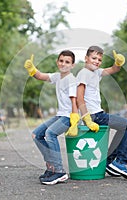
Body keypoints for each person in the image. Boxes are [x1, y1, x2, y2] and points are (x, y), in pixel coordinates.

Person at [76, 46, 127, 180]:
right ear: (86, 58)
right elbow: (79, 97)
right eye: (93, 58)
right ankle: (120, 162)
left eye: (99, 59)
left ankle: (109, 162)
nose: (97, 61)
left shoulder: (96, 72)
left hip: (98, 113)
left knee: (124, 128)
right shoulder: (84, 73)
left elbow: (113, 69)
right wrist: (86, 117)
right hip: (94, 115)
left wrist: (118, 63)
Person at [24, 50, 80, 185]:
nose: (63, 64)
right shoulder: (57, 77)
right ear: (57, 62)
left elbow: (74, 101)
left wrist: (74, 121)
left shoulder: (71, 80)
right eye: (61, 61)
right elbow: (41, 76)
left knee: (50, 133)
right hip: (60, 114)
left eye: (67, 62)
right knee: (36, 135)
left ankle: (59, 172)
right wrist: (32, 69)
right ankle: (51, 167)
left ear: (72, 65)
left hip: (69, 116)